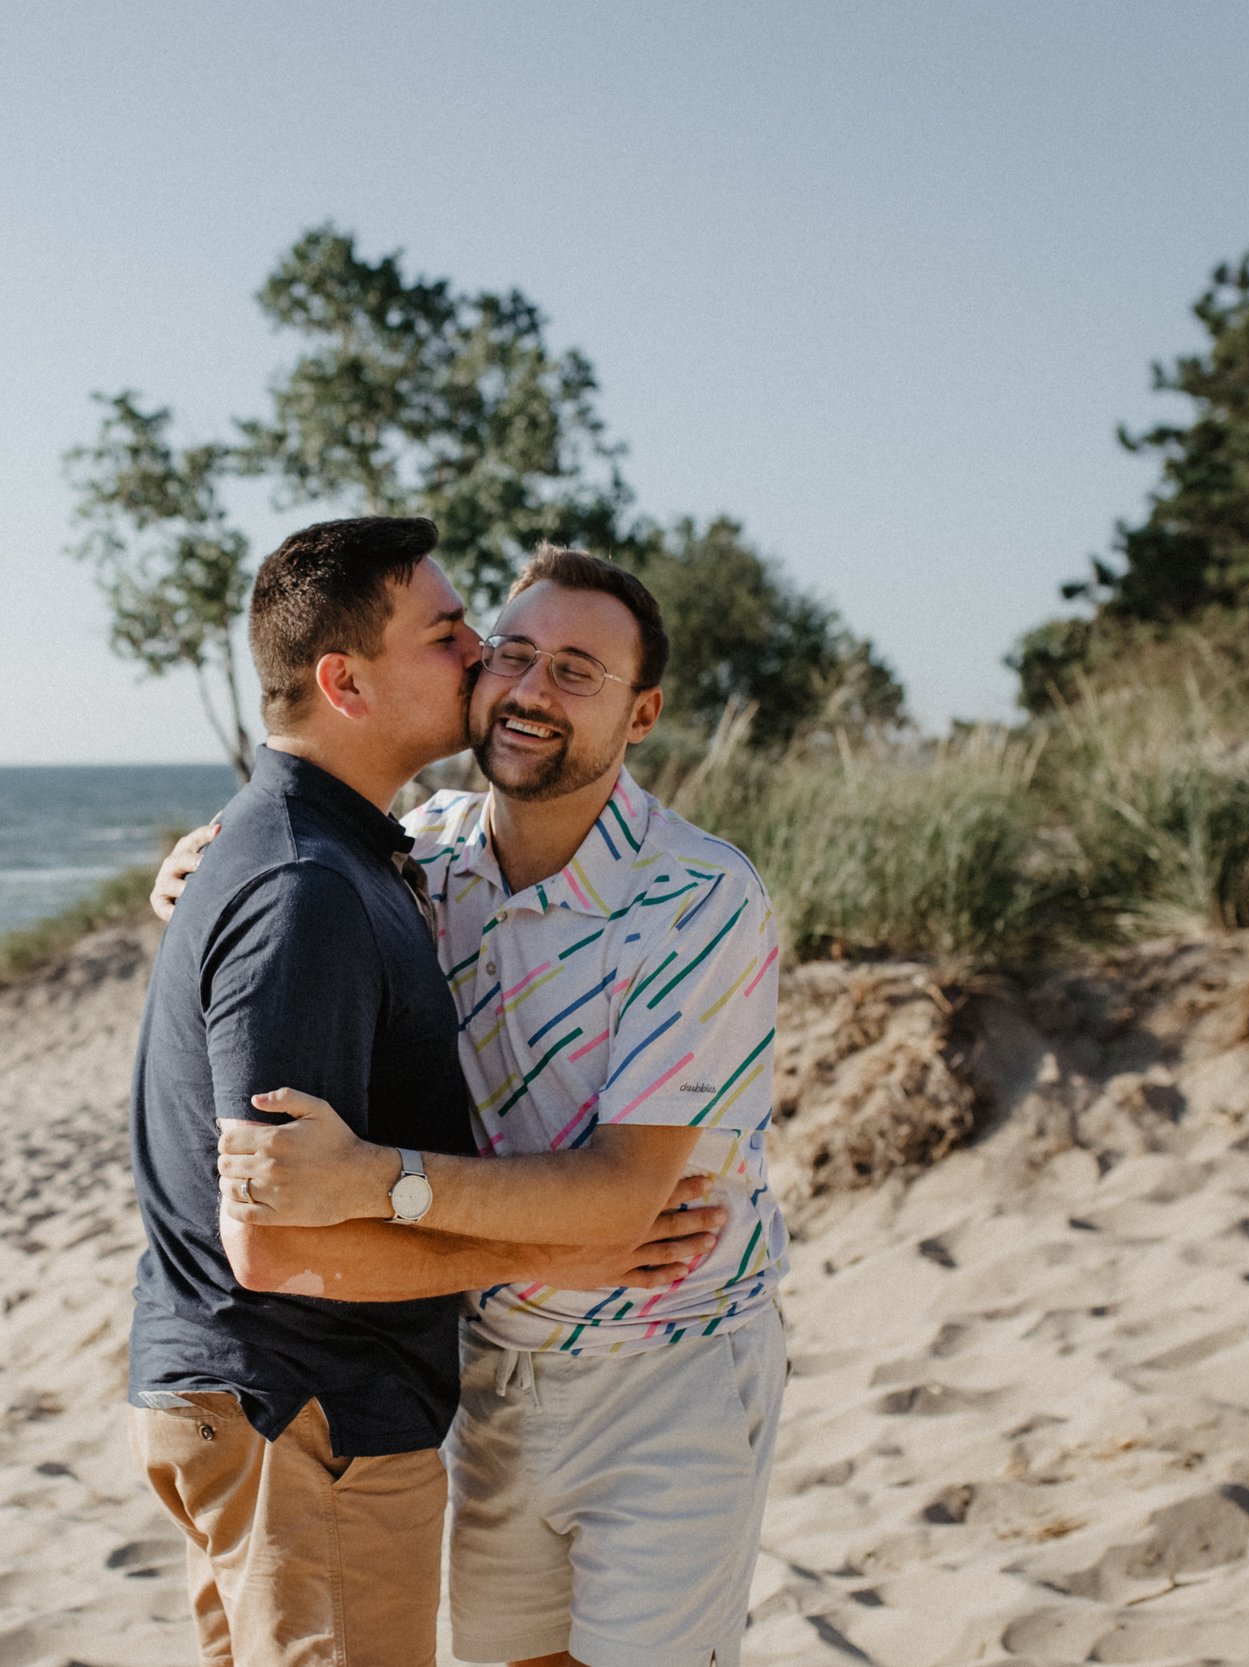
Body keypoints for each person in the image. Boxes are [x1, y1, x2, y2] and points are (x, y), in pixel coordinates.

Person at [158, 546, 787, 1667]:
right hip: (485, 1377)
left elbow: (619, 1195)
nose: (532, 689)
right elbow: (282, 870)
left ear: (641, 713)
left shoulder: (699, 901)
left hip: (665, 1369)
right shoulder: (424, 857)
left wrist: (378, 1180)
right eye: (514, 654)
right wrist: (196, 869)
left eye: (579, 671)